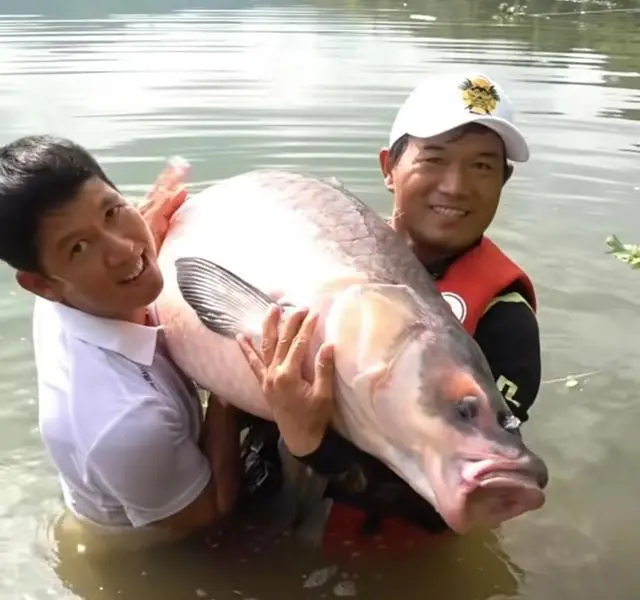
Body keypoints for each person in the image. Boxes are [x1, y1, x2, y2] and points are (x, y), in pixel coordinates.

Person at [239, 71, 543, 555]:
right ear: (389, 168)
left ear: (504, 180)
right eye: (434, 159)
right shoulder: (317, 251)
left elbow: (465, 491)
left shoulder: (507, 320)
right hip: (254, 522)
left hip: (383, 557)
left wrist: (314, 445)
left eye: (483, 166)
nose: (456, 185)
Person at [0, 135, 335, 552]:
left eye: (112, 211)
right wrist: (224, 379)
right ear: (41, 285)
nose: (124, 250)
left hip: (150, 472)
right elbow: (209, 518)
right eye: (80, 247)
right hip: (155, 546)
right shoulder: (122, 421)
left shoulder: (73, 292)